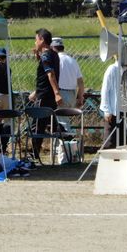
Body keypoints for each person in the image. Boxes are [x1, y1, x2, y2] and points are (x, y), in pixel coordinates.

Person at [29, 28, 61, 159]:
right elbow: (44, 76)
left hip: (45, 96)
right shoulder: (54, 54)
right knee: (50, 123)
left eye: (36, 39)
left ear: (42, 40)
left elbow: (50, 74)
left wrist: (57, 92)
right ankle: (67, 137)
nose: (35, 42)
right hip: (46, 94)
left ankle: (34, 153)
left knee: (38, 125)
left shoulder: (46, 55)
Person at [100, 50, 127, 149]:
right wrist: (107, 110)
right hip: (113, 111)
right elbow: (105, 90)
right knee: (110, 139)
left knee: (126, 141)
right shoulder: (112, 69)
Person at [51, 37, 85, 108]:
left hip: (60, 94)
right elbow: (80, 82)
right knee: (65, 117)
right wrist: (80, 97)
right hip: (72, 95)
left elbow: (50, 77)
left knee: (60, 118)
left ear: (53, 47)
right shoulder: (73, 61)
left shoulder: (55, 60)